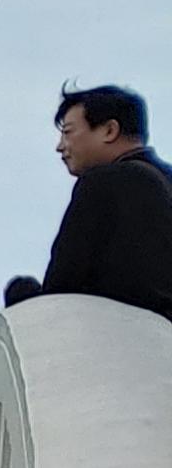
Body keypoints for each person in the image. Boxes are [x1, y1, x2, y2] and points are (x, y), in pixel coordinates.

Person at [46, 85, 172, 323]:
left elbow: (60, 288)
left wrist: (21, 295)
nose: (60, 146)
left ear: (109, 131)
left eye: (68, 132)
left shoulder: (102, 182)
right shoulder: (165, 180)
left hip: (126, 336)